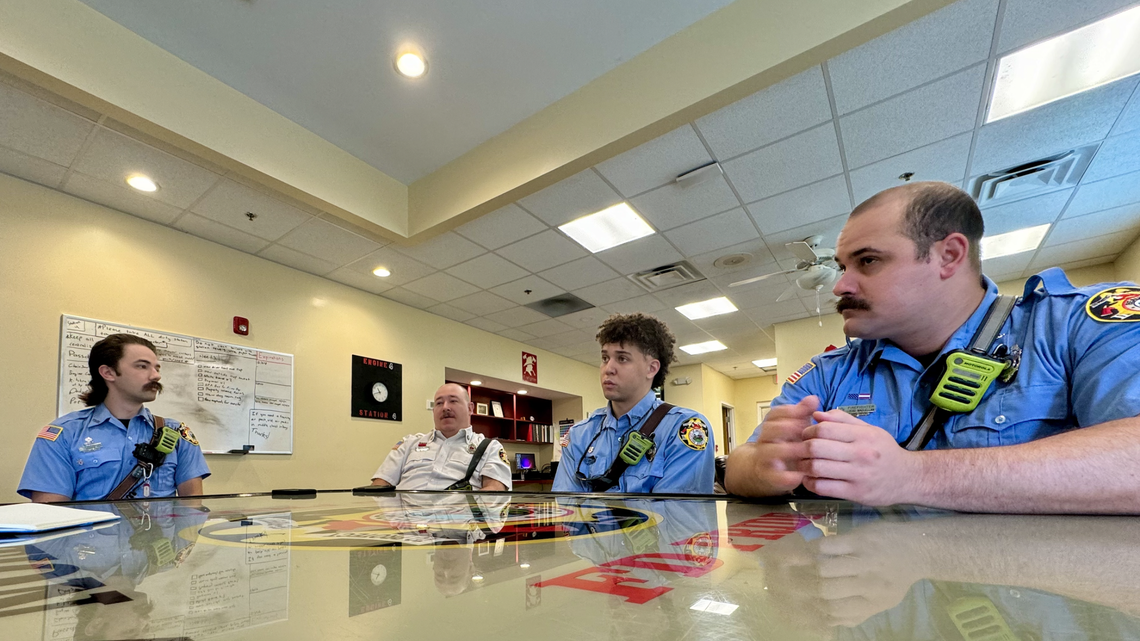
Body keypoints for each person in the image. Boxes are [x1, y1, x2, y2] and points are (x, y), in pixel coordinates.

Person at [725, 181, 1140, 513]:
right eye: (842, 266)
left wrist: (912, 475)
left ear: (948, 255)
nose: (840, 286)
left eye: (867, 261)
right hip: (873, 607)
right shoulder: (831, 371)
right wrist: (766, 465)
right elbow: (739, 465)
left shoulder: (1073, 324)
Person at [19, 334, 210, 502]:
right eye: (142, 366)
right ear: (108, 373)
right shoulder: (64, 435)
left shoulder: (176, 434)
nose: (156, 376)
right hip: (87, 543)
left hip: (160, 543)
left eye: (157, 368)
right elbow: (51, 517)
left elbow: (191, 514)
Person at [553, 313, 715, 493]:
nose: (608, 369)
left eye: (622, 359)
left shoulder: (683, 429)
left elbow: (674, 514)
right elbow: (567, 511)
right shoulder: (580, 435)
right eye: (605, 358)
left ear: (651, 368)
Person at [370, 383, 512, 491]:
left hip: (459, 525)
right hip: (407, 526)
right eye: (439, 403)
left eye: (453, 401)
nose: (445, 407)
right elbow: (380, 485)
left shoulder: (490, 448)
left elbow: (494, 494)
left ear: (470, 408)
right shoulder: (409, 444)